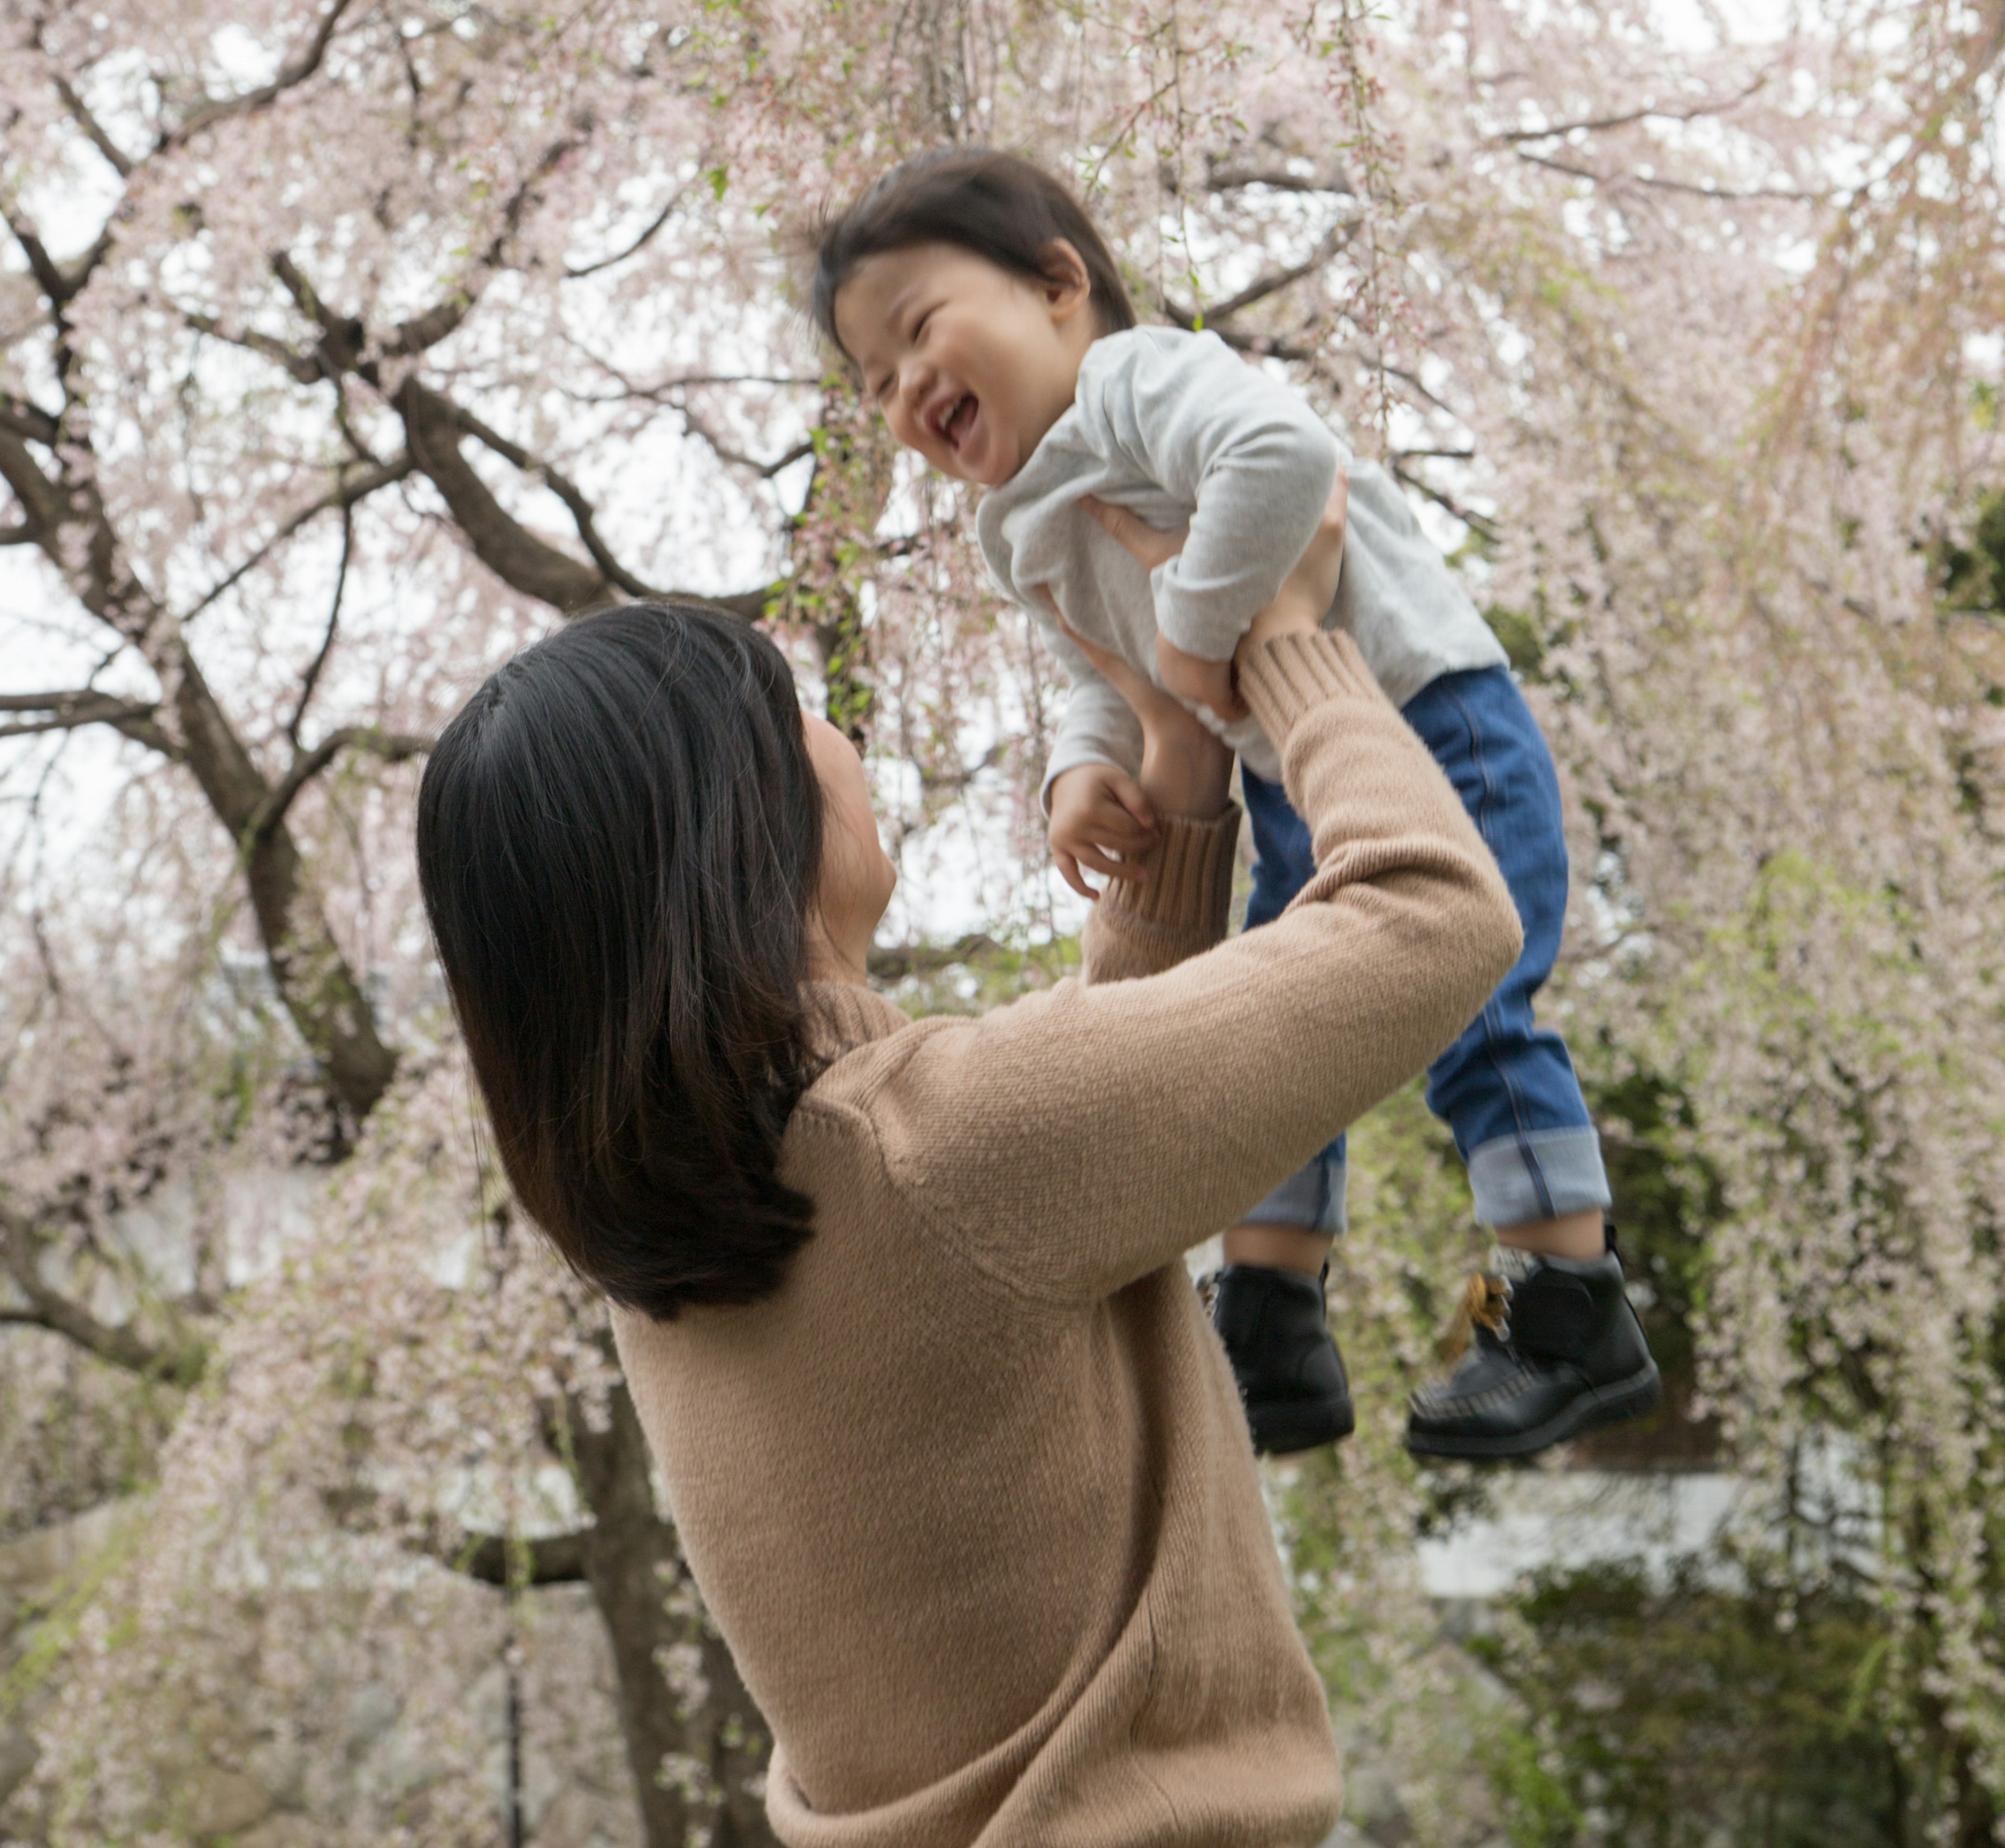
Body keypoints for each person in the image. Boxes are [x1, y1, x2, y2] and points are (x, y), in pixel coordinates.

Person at [417, 492, 1524, 1846]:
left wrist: (1174, 778)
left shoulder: (691, 1242)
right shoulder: (941, 1149)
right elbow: (1437, 916)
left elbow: (1045, 1181)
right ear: (742, 829)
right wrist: (1293, 640)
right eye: (794, 709)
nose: (836, 732)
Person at [814, 146, 1660, 1463]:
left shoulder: (1135, 379)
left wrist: (1205, 630)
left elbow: (1281, 458)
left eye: (920, 330)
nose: (908, 387)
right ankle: (1271, 1318)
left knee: (1476, 1010)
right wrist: (1083, 770)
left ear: (1057, 286)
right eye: (876, 381)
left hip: (1430, 717)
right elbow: (1098, 666)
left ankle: (1569, 1303)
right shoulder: (1014, 524)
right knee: (1275, 1022)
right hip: (1292, 781)